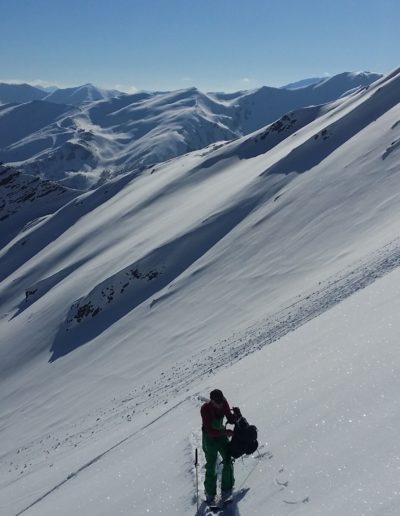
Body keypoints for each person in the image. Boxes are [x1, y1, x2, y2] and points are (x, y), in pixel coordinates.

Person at [201, 389, 239, 504]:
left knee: (228, 458)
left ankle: (227, 489)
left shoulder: (223, 402)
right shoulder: (205, 409)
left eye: (221, 401)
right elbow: (209, 430)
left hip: (221, 435)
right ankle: (210, 494)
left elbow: (229, 417)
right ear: (211, 401)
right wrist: (226, 433)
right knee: (211, 465)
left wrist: (236, 416)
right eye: (218, 402)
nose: (220, 404)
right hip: (209, 438)